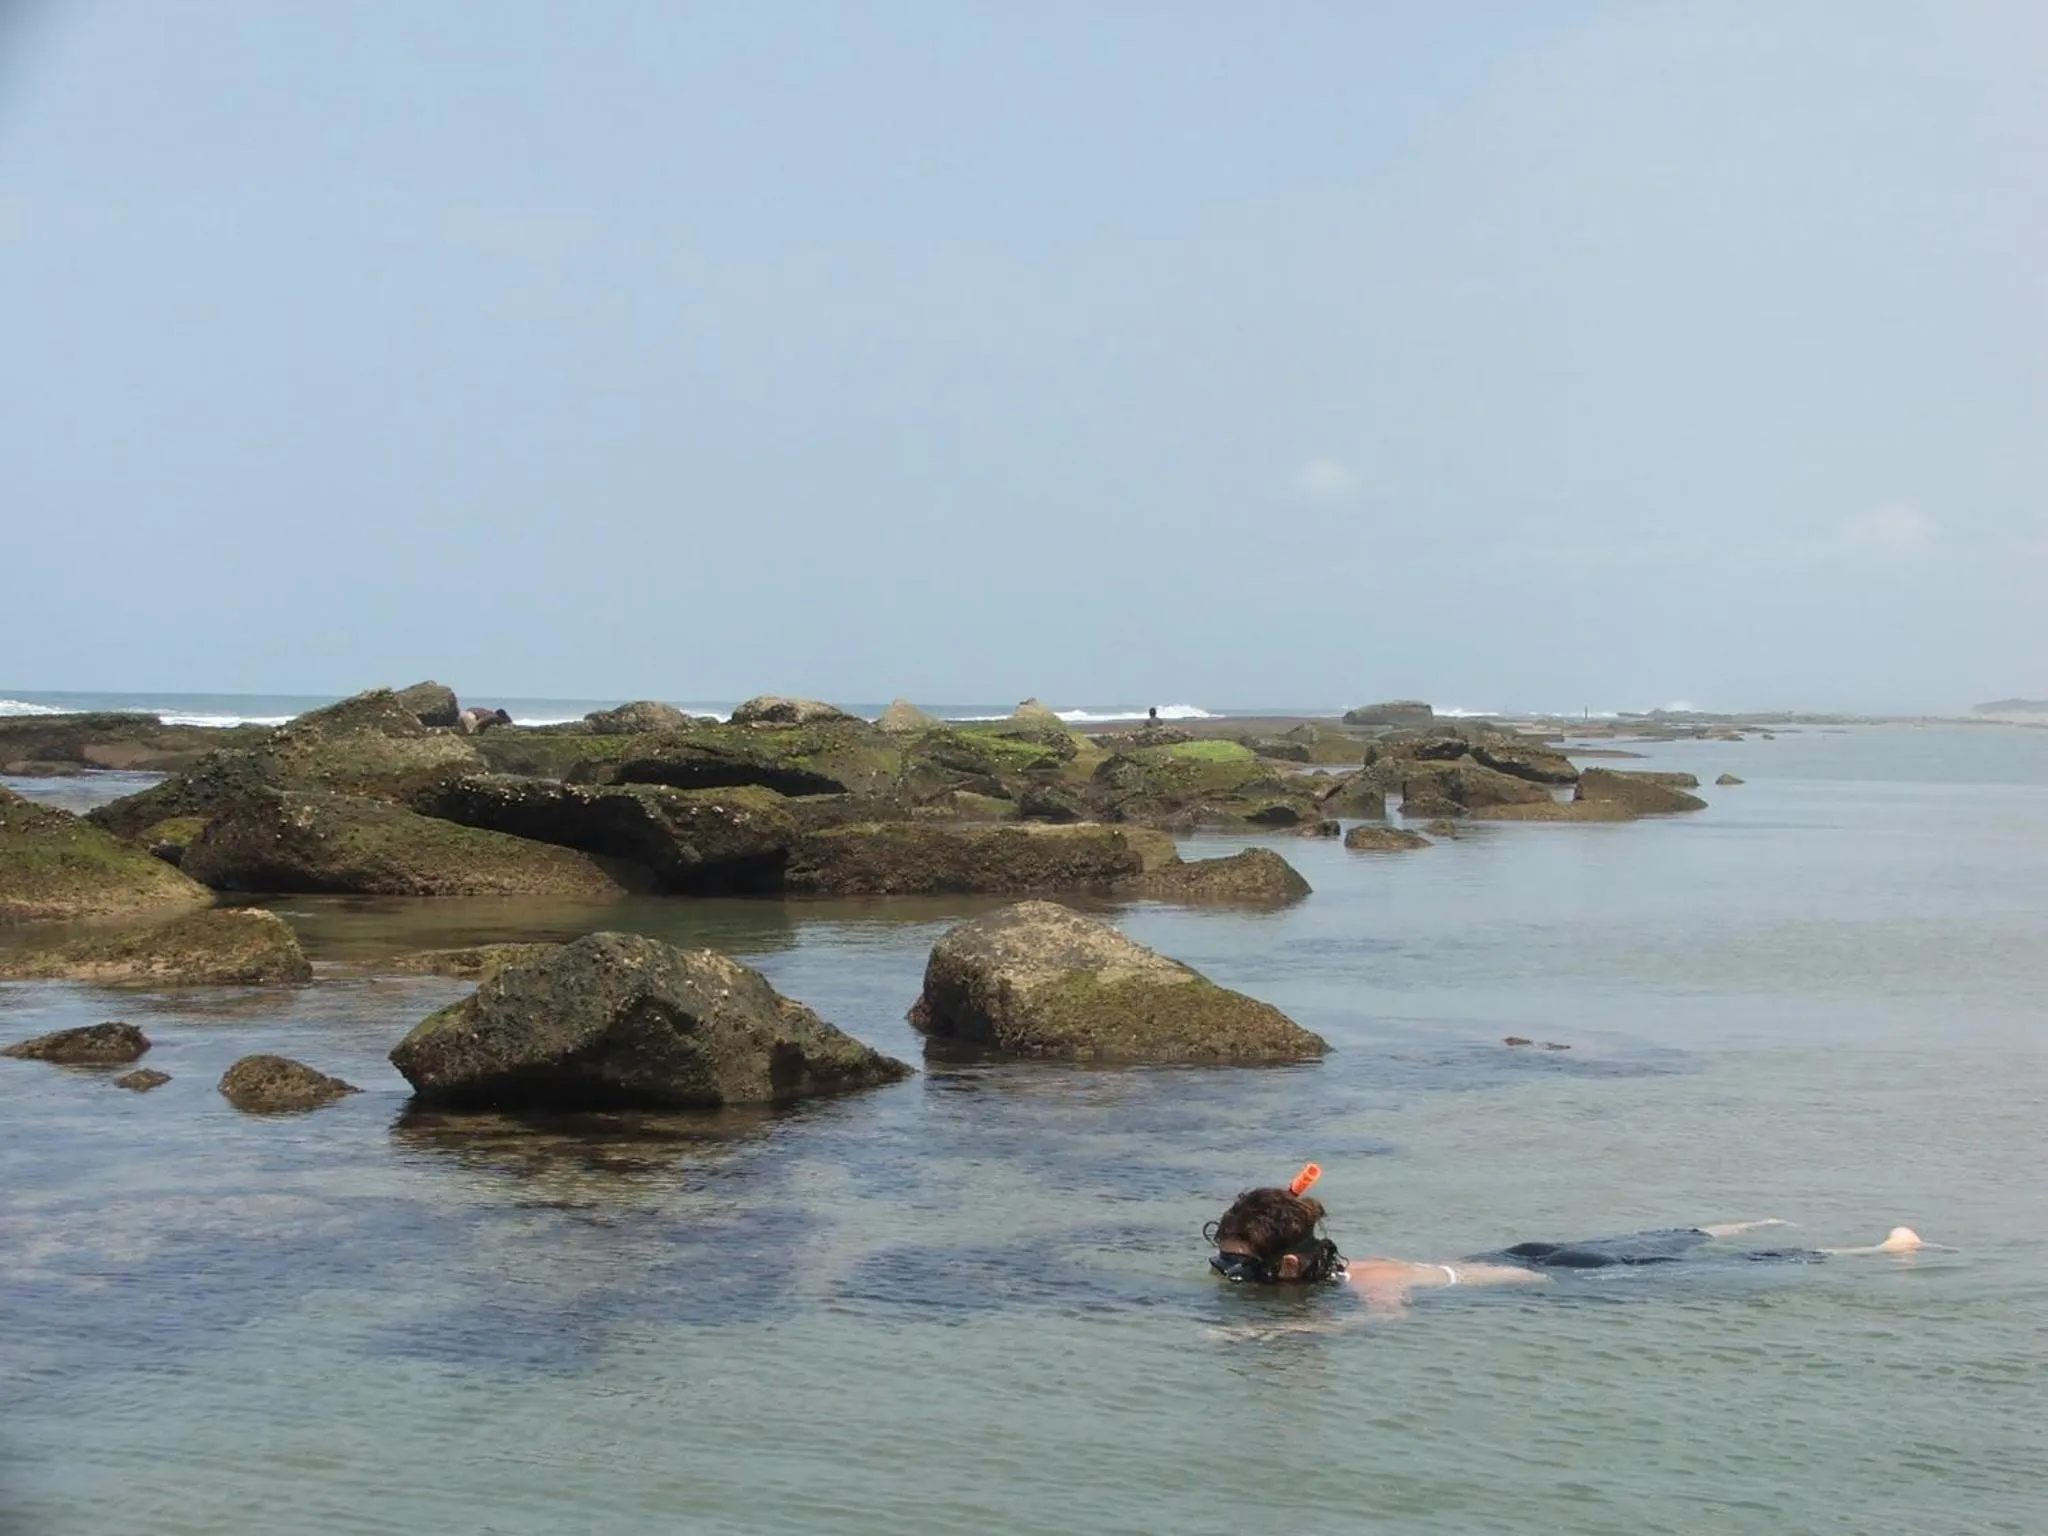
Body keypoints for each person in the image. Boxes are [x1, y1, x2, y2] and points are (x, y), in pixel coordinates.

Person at [1206, 1178, 1931, 1315]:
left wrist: (1281, 1342)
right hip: (1519, 1256)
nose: (1226, 1270)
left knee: (1658, 1260)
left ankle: (1880, 1250)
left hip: (1565, 1283)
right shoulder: (1341, 1268)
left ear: (1289, 1262)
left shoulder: (1366, 1285)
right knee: (1650, 1242)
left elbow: (1389, 1321)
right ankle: (1739, 1219)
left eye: (1237, 1261)